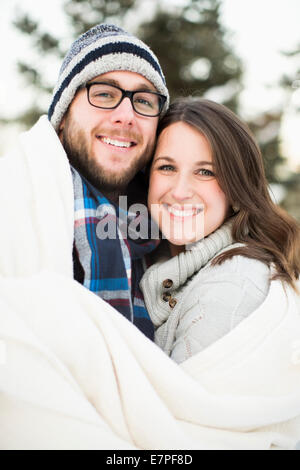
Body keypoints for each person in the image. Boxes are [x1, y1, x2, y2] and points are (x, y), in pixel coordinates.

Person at [0, 23, 169, 340]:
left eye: (144, 101)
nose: (126, 114)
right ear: (62, 118)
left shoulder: (171, 234)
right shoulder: (10, 205)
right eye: (105, 94)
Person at [140, 97, 300, 363]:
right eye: (167, 167)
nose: (179, 192)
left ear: (237, 190)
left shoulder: (232, 283)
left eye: (205, 172)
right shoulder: (156, 266)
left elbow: (182, 404)